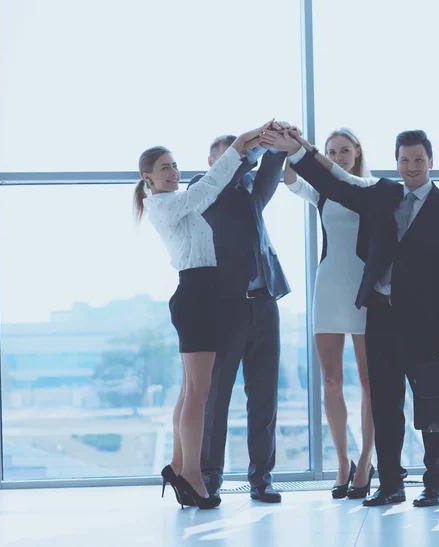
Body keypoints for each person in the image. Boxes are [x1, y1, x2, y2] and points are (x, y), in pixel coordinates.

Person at [263, 128, 439, 508]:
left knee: (429, 403)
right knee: (385, 403)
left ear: (431, 161)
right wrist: (299, 152)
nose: (411, 168)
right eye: (404, 161)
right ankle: (391, 482)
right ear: (396, 162)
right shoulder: (382, 194)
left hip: (424, 320)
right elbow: (338, 183)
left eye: (418, 160)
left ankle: (436, 482)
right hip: (378, 313)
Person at [133, 121, 271, 509]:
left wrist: (249, 145)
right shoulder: (165, 204)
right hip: (196, 295)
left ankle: (179, 466)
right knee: (199, 393)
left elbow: (211, 188)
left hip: (202, 295)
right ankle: (192, 475)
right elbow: (210, 186)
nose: (174, 173)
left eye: (175, 166)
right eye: (165, 168)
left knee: (188, 391)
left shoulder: (175, 201)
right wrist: (241, 145)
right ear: (148, 177)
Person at [189, 129, 289, 504]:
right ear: (216, 162)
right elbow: (231, 172)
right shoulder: (204, 187)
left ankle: (261, 478)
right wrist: (245, 150)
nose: (244, 162)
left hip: (265, 303)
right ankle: (210, 476)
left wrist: (277, 143)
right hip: (226, 307)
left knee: (264, 398)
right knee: (218, 397)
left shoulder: (251, 194)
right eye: (233, 156)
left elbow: (268, 173)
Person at [282, 128, 376, 499]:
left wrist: (309, 152)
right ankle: (343, 462)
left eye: (344, 151)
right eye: (332, 152)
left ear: (357, 152)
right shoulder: (322, 191)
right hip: (328, 286)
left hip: (363, 288)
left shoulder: (371, 189)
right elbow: (290, 181)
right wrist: (296, 147)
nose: (338, 157)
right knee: (331, 381)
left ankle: (367, 461)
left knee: (370, 381)